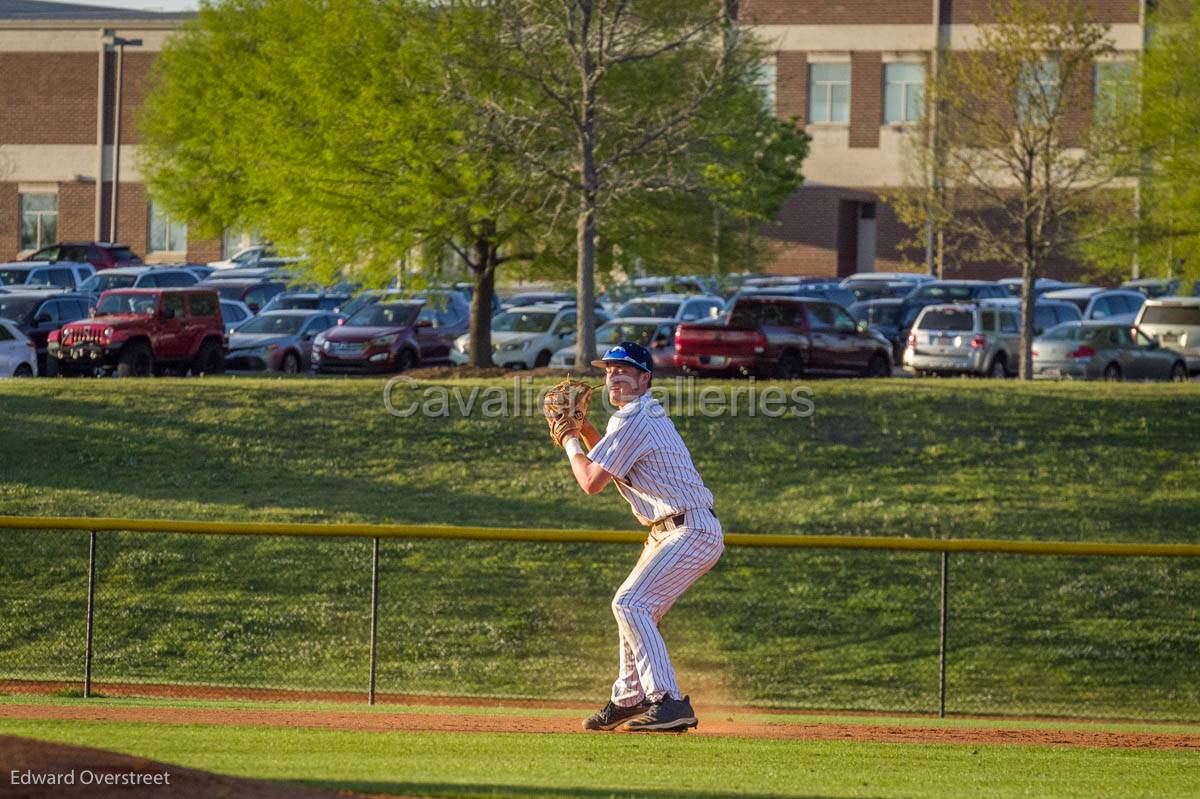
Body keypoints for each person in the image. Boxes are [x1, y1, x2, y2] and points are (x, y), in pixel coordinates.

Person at [553, 341, 723, 732]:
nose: (613, 375)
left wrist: (569, 439)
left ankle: (667, 700)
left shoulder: (635, 417)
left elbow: (591, 481)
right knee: (635, 610)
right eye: (609, 369)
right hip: (676, 530)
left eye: (624, 368)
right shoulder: (637, 417)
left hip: (688, 529)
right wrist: (585, 428)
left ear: (645, 378)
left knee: (630, 604)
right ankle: (628, 698)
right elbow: (612, 461)